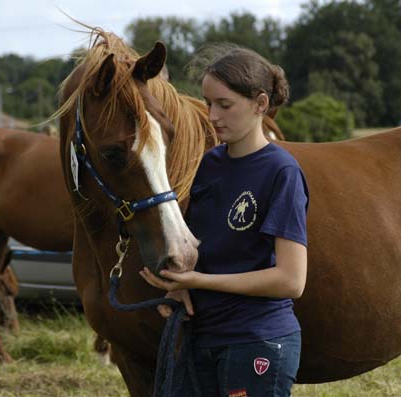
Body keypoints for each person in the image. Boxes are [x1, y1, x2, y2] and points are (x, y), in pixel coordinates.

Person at [140, 45, 309, 397]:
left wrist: (201, 280)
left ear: (261, 104)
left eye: (225, 104)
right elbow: (203, 246)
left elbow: (291, 280)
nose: (213, 116)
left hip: (257, 341)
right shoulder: (207, 165)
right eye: (208, 102)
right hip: (200, 338)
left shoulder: (282, 172)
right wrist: (179, 284)